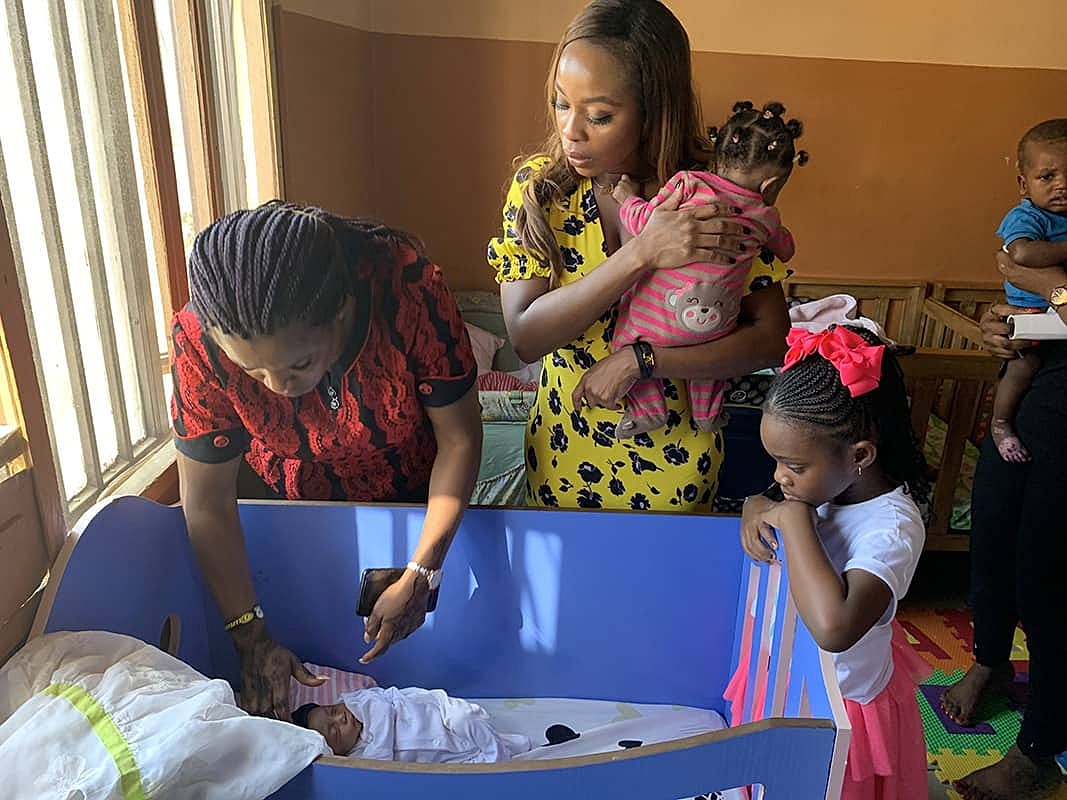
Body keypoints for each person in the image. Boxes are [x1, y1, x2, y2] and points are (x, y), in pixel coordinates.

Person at [170, 201, 482, 720]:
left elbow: (460, 440)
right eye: (254, 372)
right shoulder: (198, 340)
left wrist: (422, 569)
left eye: (300, 363)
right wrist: (250, 635)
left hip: (417, 478)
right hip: (296, 497)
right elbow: (206, 502)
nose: (281, 389)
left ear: (342, 311)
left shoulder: (406, 291)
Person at [488, 0, 791, 512]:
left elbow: (768, 342)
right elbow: (526, 336)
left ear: (654, 108)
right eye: (563, 104)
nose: (572, 131)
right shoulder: (542, 192)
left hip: (680, 466)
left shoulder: (714, 192)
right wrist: (643, 252)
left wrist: (643, 361)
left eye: (600, 115)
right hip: (564, 459)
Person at [737, 325, 930, 800]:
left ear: (860, 455)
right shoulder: (824, 485)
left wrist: (794, 517)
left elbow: (834, 627)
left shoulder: (892, 528)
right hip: (787, 683)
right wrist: (753, 506)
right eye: (775, 462)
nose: (780, 478)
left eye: (793, 467)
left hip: (841, 713)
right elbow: (771, 499)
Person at [938, 244, 1067, 800]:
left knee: (1048, 578)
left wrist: (1040, 284)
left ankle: (1038, 748)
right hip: (1033, 398)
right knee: (990, 538)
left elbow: (1059, 294)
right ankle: (989, 660)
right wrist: (1005, 321)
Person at [609, 99, 807, 437]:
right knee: (711, 365)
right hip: (716, 327)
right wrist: (775, 230)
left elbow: (646, 223)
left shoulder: (688, 184)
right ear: (770, 186)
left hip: (658, 320)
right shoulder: (766, 216)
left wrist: (627, 199)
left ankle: (650, 411)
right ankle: (707, 414)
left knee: (624, 342)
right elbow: (786, 251)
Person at [988, 118, 1067, 462]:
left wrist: (1050, 285)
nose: (1062, 186)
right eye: (1048, 177)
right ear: (1024, 184)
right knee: (1022, 364)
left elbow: (1020, 268)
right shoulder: (1029, 216)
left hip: (1053, 315)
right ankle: (1000, 422)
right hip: (1031, 313)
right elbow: (1019, 253)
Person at [292, 689, 531, 761]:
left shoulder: (358, 702)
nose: (340, 719)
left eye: (333, 711)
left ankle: (498, 755)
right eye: (334, 731)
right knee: (466, 768)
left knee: (466, 721)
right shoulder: (358, 760)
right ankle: (506, 751)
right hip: (443, 757)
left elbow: (383, 710)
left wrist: (379, 754)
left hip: (443, 717)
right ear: (336, 752)